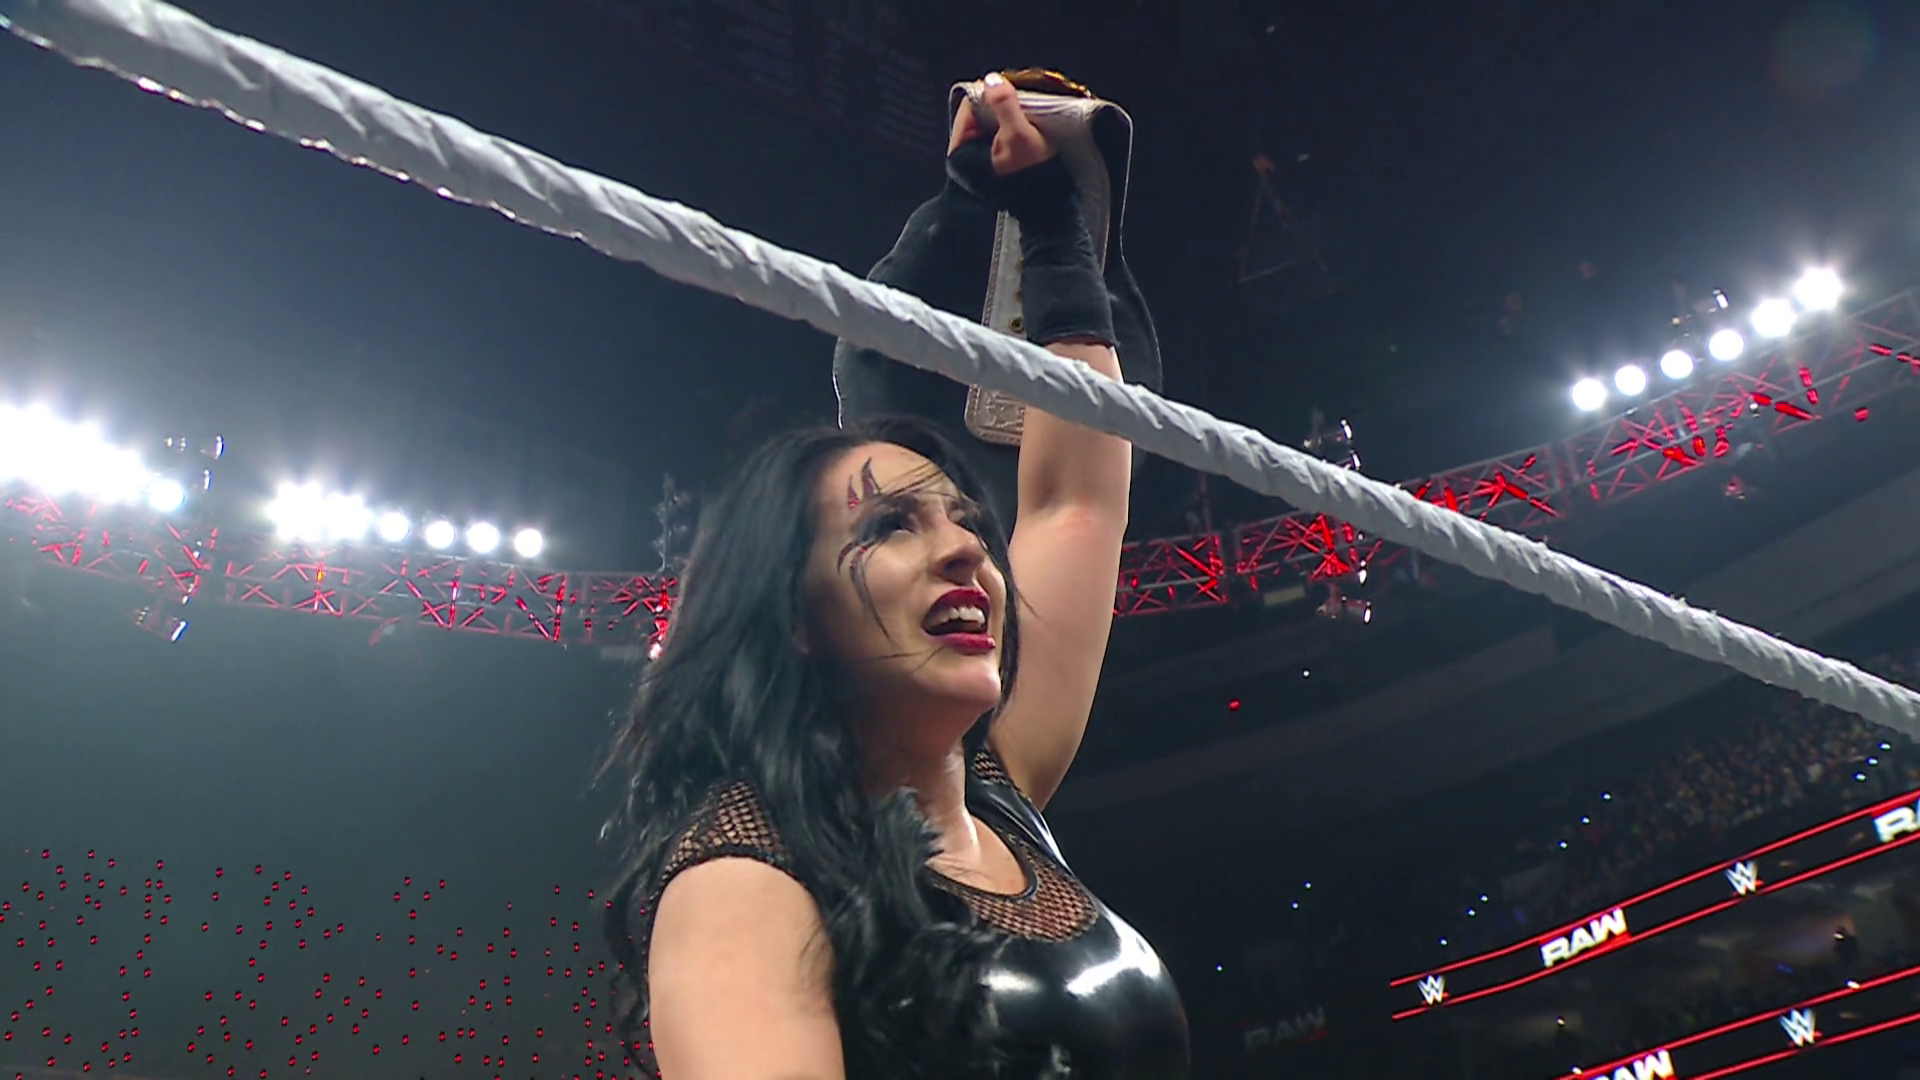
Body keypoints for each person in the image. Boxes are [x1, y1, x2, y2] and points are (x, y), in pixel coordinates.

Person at [599, 72, 1189, 1079]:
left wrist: (1054, 236)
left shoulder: (998, 796)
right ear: (792, 611)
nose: (967, 549)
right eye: (889, 526)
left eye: (966, 520)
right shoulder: (743, 875)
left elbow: (1072, 505)